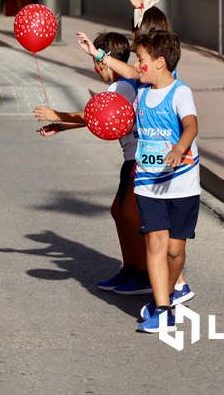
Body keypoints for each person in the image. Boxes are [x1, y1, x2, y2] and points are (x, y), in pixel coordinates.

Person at [79, 29, 200, 334]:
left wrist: (178, 148)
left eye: (143, 59)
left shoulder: (180, 93)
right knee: (156, 243)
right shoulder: (140, 91)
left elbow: (191, 125)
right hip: (147, 182)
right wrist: (96, 54)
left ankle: (173, 290)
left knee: (174, 250)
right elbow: (126, 75)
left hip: (182, 183)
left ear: (160, 63)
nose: (138, 64)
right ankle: (162, 310)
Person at [34, 32, 150, 294]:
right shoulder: (123, 85)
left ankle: (143, 273)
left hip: (138, 160)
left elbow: (90, 115)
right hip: (130, 158)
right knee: (119, 212)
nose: (96, 70)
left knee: (131, 216)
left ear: (104, 62)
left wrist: (58, 115)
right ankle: (131, 268)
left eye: (97, 64)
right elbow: (100, 119)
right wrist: (62, 127)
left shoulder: (123, 86)